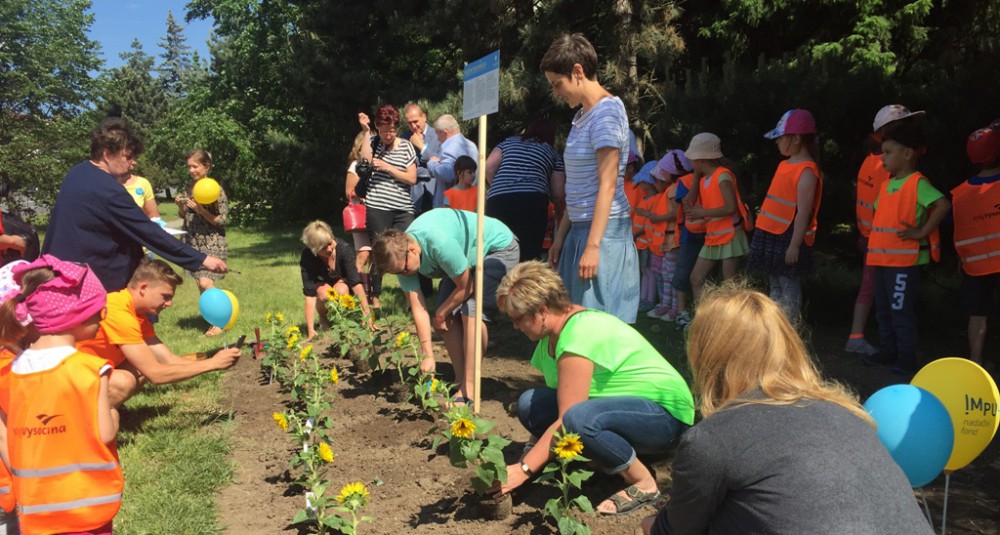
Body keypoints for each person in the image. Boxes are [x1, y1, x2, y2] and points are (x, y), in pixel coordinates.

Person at [639, 282, 932, 535]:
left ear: (707, 356)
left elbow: (671, 531)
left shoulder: (714, 439)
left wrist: (648, 522)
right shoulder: (848, 413)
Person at [488, 261, 693, 516]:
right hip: (623, 411)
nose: (515, 326)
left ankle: (644, 482)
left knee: (578, 418)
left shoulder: (578, 335)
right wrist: (530, 456)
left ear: (541, 310)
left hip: (663, 417)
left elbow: (567, 418)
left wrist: (524, 470)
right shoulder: (550, 338)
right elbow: (560, 403)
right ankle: (606, 459)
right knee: (531, 404)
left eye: (517, 319)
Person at [0, 256, 124, 535]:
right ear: (78, 315)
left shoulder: (9, 374)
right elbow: (104, 433)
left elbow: (5, 438)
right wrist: (114, 414)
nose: (102, 320)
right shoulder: (90, 369)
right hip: (87, 506)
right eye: (99, 313)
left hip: (35, 509)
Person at [42, 118, 226, 292]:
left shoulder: (77, 172)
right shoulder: (108, 189)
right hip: (89, 283)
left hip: (58, 273)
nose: (133, 163)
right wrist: (201, 259)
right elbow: (147, 231)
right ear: (107, 154)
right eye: (128, 157)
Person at [371, 209, 519, 405]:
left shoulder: (437, 243)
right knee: (445, 318)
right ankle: (460, 379)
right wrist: (428, 356)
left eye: (404, 270)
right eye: (397, 272)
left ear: (413, 250)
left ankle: (469, 389)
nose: (403, 274)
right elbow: (418, 308)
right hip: (465, 261)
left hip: (496, 248)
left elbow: (467, 287)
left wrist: (440, 313)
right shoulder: (400, 257)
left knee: (471, 311)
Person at [540, 33, 639, 323]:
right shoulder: (583, 115)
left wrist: (594, 246)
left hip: (603, 233)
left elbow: (607, 185)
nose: (556, 93)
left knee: (597, 325)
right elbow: (581, 187)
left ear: (578, 72)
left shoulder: (606, 113)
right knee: (576, 322)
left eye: (558, 84)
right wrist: (560, 238)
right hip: (581, 229)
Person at [76, 258, 242, 408]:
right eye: (165, 296)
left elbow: (168, 360)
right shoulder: (119, 311)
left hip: (89, 371)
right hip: (68, 380)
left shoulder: (138, 314)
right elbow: (156, 374)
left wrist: (216, 360)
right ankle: (86, 425)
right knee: (123, 382)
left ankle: (106, 409)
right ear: (143, 288)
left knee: (142, 364)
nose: (169, 304)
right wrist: (213, 364)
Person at [863, 123, 949, 375]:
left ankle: (907, 358)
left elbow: (942, 205)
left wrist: (921, 232)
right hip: (881, 261)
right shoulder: (887, 184)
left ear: (908, 154)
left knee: (900, 311)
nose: (883, 158)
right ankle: (888, 351)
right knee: (883, 310)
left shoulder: (917, 183)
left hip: (903, 264)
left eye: (888, 152)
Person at [847, 105, 925, 356]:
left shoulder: (870, 161)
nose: (909, 129)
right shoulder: (886, 166)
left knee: (877, 293)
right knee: (876, 291)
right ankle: (859, 337)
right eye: (903, 125)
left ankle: (870, 339)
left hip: (872, 237)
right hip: (882, 242)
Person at [746, 109, 823, 321]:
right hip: (772, 234)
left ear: (796, 139)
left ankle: (788, 332)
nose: (777, 142)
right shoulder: (784, 164)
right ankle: (775, 327)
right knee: (775, 284)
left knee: (788, 284)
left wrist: (795, 245)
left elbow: (803, 213)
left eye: (781, 137)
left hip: (788, 238)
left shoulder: (807, 170)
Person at [951, 119, 1000, 370]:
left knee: (977, 313)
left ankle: (976, 361)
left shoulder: (960, 194)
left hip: (975, 263)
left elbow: (964, 230)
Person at [357, 104, 419, 304]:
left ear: (397, 128)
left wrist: (388, 167)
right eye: (383, 131)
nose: (388, 135)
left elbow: (412, 178)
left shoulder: (406, 146)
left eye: (391, 130)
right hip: (377, 206)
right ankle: (375, 299)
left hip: (403, 208)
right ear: (377, 128)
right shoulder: (373, 142)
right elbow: (364, 161)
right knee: (379, 251)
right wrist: (366, 132)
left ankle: (411, 298)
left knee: (407, 248)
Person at [484, 119, 567, 262]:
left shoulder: (508, 142)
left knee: (496, 250)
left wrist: (500, 187)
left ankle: (495, 281)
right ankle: (523, 282)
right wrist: (561, 216)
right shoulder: (552, 152)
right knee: (527, 253)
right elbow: (558, 193)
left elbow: (488, 167)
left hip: (498, 201)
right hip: (531, 202)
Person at [683, 133, 751, 301]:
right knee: (696, 278)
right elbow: (689, 201)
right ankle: (703, 321)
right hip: (713, 237)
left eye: (692, 158)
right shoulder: (702, 179)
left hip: (730, 236)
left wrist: (703, 212)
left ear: (701, 159)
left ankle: (735, 323)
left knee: (731, 285)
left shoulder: (723, 175)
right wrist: (697, 176)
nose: (690, 162)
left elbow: (730, 207)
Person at [175, 148, 229, 336]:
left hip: (212, 241)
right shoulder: (189, 186)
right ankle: (212, 319)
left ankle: (220, 323)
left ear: (206, 166)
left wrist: (200, 210)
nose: (191, 170)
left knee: (206, 283)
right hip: (192, 240)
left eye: (195, 166)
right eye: (189, 166)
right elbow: (185, 215)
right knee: (200, 284)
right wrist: (181, 207)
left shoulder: (215, 189)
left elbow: (222, 220)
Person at [299, 220, 370, 340]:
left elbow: (355, 282)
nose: (329, 249)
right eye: (323, 247)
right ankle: (323, 317)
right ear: (313, 249)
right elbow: (310, 294)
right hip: (322, 283)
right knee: (324, 294)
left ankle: (344, 318)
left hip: (342, 282)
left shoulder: (343, 249)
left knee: (341, 290)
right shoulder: (307, 257)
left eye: (330, 242)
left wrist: (367, 315)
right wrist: (310, 330)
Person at [645, 150, 688, 321]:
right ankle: (666, 305)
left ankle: (673, 307)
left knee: (671, 274)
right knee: (666, 273)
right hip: (669, 240)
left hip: (674, 240)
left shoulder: (673, 190)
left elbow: (675, 214)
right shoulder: (672, 189)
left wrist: (657, 218)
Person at [670, 168, 706, 329]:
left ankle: (702, 317)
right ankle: (682, 313)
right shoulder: (684, 181)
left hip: (712, 233)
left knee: (702, 277)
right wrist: (697, 179)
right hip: (689, 235)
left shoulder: (718, 176)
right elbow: (687, 206)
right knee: (683, 274)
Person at [427, 114, 478, 208]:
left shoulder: (451, 146)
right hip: (471, 202)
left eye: (438, 134)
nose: (438, 139)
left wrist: (432, 163)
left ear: (445, 132)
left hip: (453, 207)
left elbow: (447, 173)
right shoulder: (471, 145)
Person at [401, 103, 442, 215]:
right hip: (414, 196)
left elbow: (441, 164)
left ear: (424, 117)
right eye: (410, 123)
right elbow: (403, 168)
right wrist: (428, 171)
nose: (413, 126)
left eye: (416, 121)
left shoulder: (439, 135)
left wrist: (421, 146)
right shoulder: (404, 139)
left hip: (435, 192)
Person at [344, 131, 374, 280]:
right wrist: (367, 193)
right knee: (363, 255)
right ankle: (359, 289)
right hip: (361, 213)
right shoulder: (356, 165)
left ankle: (373, 290)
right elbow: (349, 191)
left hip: (378, 212)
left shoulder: (379, 164)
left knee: (377, 255)